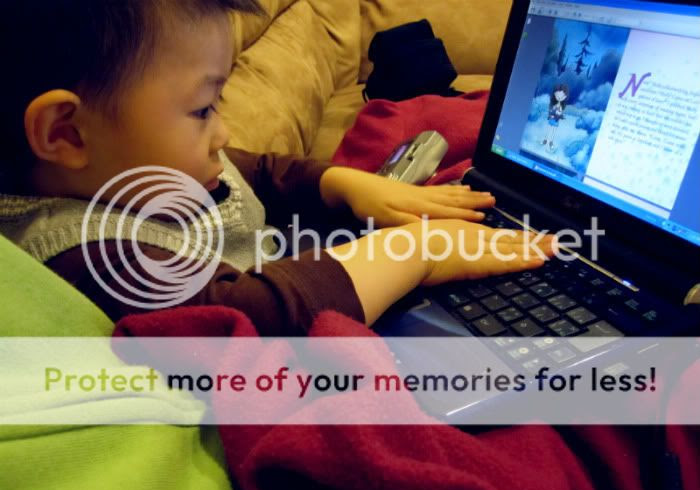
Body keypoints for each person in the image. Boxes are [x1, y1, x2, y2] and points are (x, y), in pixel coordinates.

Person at [0, 0, 556, 335]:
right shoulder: (87, 256)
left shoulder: (147, 174)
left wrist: (345, 184)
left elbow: (260, 171)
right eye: (202, 109)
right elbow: (253, 318)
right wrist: (417, 250)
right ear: (66, 133)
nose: (222, 134)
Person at [542, 84, 569, 152]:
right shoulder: (553, 105)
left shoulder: (561, 106)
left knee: (553, 131)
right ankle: (545, 140)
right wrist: (551, 114)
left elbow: (560, 113)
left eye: (562, 96)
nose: (559, 97)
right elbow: (551, 111)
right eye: (557, 95)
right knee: (548, 129)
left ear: (565, 97)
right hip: (552, 119)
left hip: (556, 121)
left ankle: (551, 142)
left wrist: (560, 115)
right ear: (555, 94)